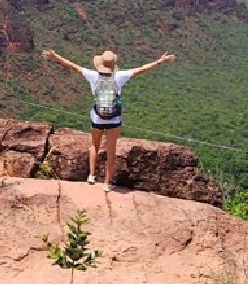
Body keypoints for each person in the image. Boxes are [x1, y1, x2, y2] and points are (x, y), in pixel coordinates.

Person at [41, 47, 177, 191]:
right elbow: (141, 69)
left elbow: (73, 66)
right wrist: (160, 61)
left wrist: (55, 57)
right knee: (111, 152)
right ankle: (107, 183)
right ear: (113, 64)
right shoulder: (119, 77)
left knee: (94, 145)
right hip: (114, 119)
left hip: (97, 117)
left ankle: (92, 175)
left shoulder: (93, 76)